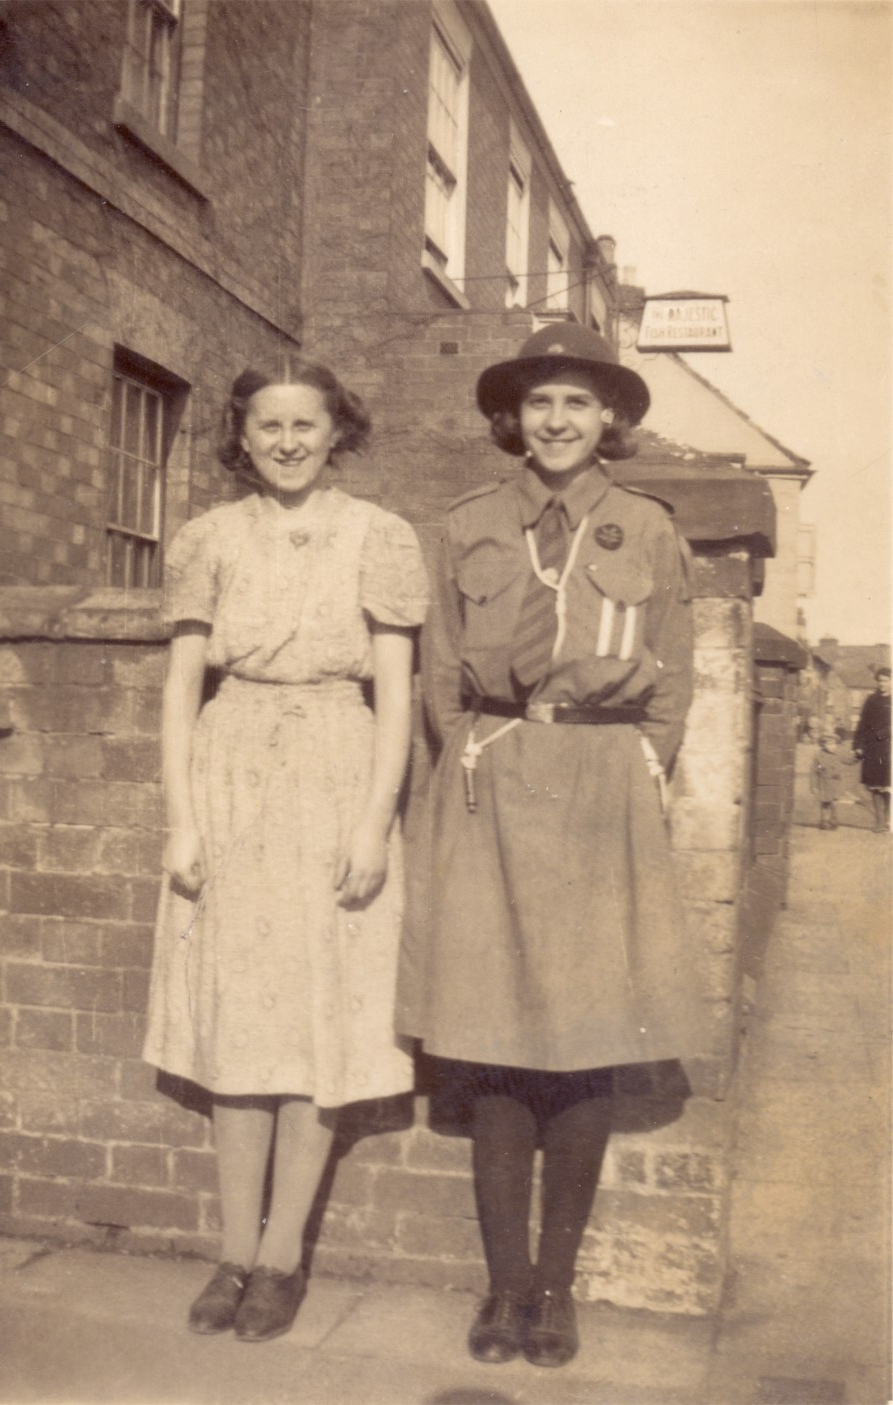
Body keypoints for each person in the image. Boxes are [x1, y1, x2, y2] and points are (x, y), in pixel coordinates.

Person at [397, 322, 699, 1370]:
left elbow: (671, 673)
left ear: (608, 416)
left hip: (600, 788)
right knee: (490, 1044)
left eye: (577, 402)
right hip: (490, 781)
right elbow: (441, 670)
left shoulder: (646, 528)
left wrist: (642, 773)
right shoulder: (469, 523)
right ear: (512, 420)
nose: (558, 420)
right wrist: (470, 764)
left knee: (581, 1048)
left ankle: (556, 1292)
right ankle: (501, 1290)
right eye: (539, 404)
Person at [144, 357, 428, 1342]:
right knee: (237, 1021)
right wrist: (183, 817)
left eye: (304, 424)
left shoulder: (378, 537)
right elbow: (182, 688)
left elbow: (394, 693)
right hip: (230, 779)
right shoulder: (209, 538)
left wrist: (370, 821)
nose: (286, 440)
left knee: (316, 1020)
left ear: (334, 431)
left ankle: (280, 1258)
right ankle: (231, 1250)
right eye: (267, 424)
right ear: (242, 433)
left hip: (333, 775)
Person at [853, 667, 891, 832]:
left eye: (886, 680)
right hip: (874, 748)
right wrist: (859, 746)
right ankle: (879, 821)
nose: (882, 684)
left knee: (889, 786)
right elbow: (862, 724)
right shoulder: (871, 700)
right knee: (876, 785)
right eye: (880, 681)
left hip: (890, 748)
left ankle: (888, 820)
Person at [809, 733, 845, 829]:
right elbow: (814, 771)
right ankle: (824, 821)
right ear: (823, 744)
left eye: (834, 744)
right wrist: (813, 786)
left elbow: (848, 760)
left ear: (837, 744)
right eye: (828, 744)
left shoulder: (839, 754)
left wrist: (857, 756)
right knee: (825, 803)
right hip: (823, 783)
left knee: (833, 803)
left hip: (835, 783)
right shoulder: (819, 756)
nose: (831, 747)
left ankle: (833, 820)